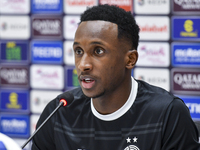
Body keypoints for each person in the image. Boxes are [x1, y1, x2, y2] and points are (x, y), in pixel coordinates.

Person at [31, 4, 200, 150]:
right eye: (78, 51)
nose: (83, 64)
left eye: (98, 51)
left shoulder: (167, 113)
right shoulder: (58, 112)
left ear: (130, 59)